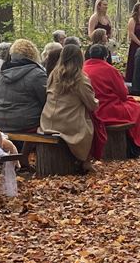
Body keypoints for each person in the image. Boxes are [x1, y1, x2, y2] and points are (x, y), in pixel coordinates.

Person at [40, 45, 99, 174]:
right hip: (68, 123)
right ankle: (86, 161)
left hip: (47, 120)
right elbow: (92, 104)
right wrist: (97, 102)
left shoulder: (53, 74)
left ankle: (84, 161)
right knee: (92, 123)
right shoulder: (80, 79)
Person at [83, 45, 140, 159]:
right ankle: (135, 145)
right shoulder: (109, 69)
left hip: (89, 110)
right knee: (135, 109)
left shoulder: (83, 68)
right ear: (105, 56)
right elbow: (123, 93)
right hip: (107, 110)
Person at [0, 39, 48, 134]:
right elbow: (47, 101)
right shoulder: (37, 74)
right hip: (27, 123)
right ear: (33, 54)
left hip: (0, 122)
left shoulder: (0, 75)